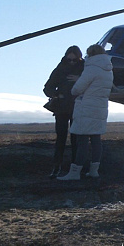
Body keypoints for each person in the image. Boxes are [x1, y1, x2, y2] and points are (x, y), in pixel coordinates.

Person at [58, 44, 113, 181]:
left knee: (82, 140)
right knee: (96, 140)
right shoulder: (108, 69)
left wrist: (74, 89)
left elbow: (77, 88)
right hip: (100, 107)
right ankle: (94, 171)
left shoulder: (92, 68)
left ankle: (75, 172)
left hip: (87, 107)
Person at [43, 45, 84, 179]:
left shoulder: (84, 69)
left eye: (74, 60)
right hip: (61, 108)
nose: (71, 62)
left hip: (77, 107)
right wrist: (57, 95)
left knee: (76, 139)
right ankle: (57, 167)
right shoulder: (60, 69)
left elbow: (92, 84)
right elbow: (47, 88)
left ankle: (75, 168)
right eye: (69, 60)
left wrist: (80, 80)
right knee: (60, 138)